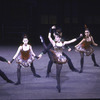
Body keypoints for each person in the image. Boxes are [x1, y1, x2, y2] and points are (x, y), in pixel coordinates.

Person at [39, 26, 82, 93]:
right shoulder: (54, 43)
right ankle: (42, 41)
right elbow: (49, 37)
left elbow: (71, 41)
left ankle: (58, 85)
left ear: (59, 38)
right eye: (55, 37)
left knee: (58, 73)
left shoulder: (63, 42)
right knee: (47, 50)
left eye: (56, 37)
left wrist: (79, 37)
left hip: (60, 58)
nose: (55, 38)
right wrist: (50, 29)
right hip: (54, 56)